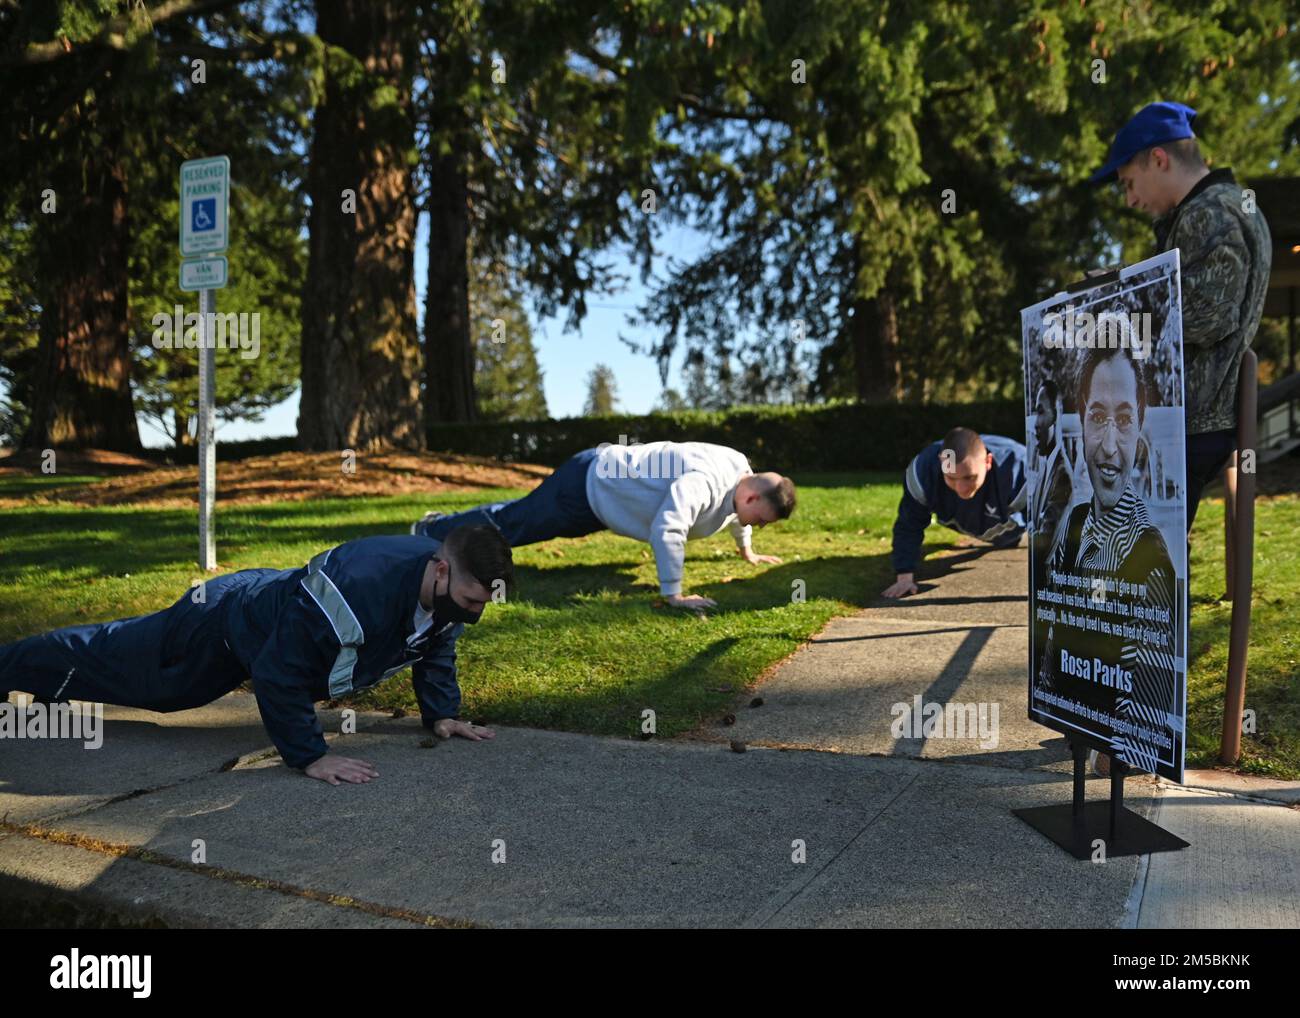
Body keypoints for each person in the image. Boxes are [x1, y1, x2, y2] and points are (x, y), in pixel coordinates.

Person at [0, 526, 513, 786]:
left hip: (264, 614)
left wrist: (442, 714)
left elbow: (434, 648)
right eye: (471, 600)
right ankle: (12, 665)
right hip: (222, 623)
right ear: (441, 570)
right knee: (143, 680)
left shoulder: (444, 597)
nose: (473, 613)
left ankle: (43, 682)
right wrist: (311, 756)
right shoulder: (356, 589)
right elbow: (278, 672)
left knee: (150, 686)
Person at [1091, 100, 1272, 531]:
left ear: (1159, 159)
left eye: (1129, 183)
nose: (1131, 199)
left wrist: (1115, 300)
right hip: (1200, 420)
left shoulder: (1207, 213)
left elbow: (1209, 314)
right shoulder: (1225, 205)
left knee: (1145, 562)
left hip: (1189, 427)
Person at [412, 441, 796, 611]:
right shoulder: (704, 483)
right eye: (760, 521)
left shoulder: (742, 478)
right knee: (513, 526)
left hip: (602, 501)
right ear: (750, 498)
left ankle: (440, 527)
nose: (757, 526)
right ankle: (431, 532)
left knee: (519, 518)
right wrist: (674, 593)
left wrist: (746, 550)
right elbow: (668, 529)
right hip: (586, 485)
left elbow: (736, 517)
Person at [1034, 342, 1178, 777]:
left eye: (1123, 419)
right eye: (1097, 418)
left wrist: (1109, 752)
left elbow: (1143, 728)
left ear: (1140, 427)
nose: (1109, 446)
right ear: (1081, 420)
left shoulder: (1150, 561)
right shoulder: (1075, 524)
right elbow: (1051, 650)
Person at [881, 428, 1028, 598]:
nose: (961, 489)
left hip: (1010, 522)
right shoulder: (924, 472)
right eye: (951, 478)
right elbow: (909, 524)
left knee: (1007, 539)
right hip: (957, 517)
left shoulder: (1021, 471)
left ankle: (1011, 538)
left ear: (988, 461)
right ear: (941, 463)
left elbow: (1049, 526)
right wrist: (904, 575)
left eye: (969, 477)